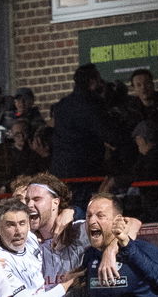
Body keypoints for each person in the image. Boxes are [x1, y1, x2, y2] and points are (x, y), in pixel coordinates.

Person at [51, 64, 124, 209]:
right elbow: (110, 135)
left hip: (61, 172)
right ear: (92, 82)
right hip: (85, 173)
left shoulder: (62, 106)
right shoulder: (91, 105)